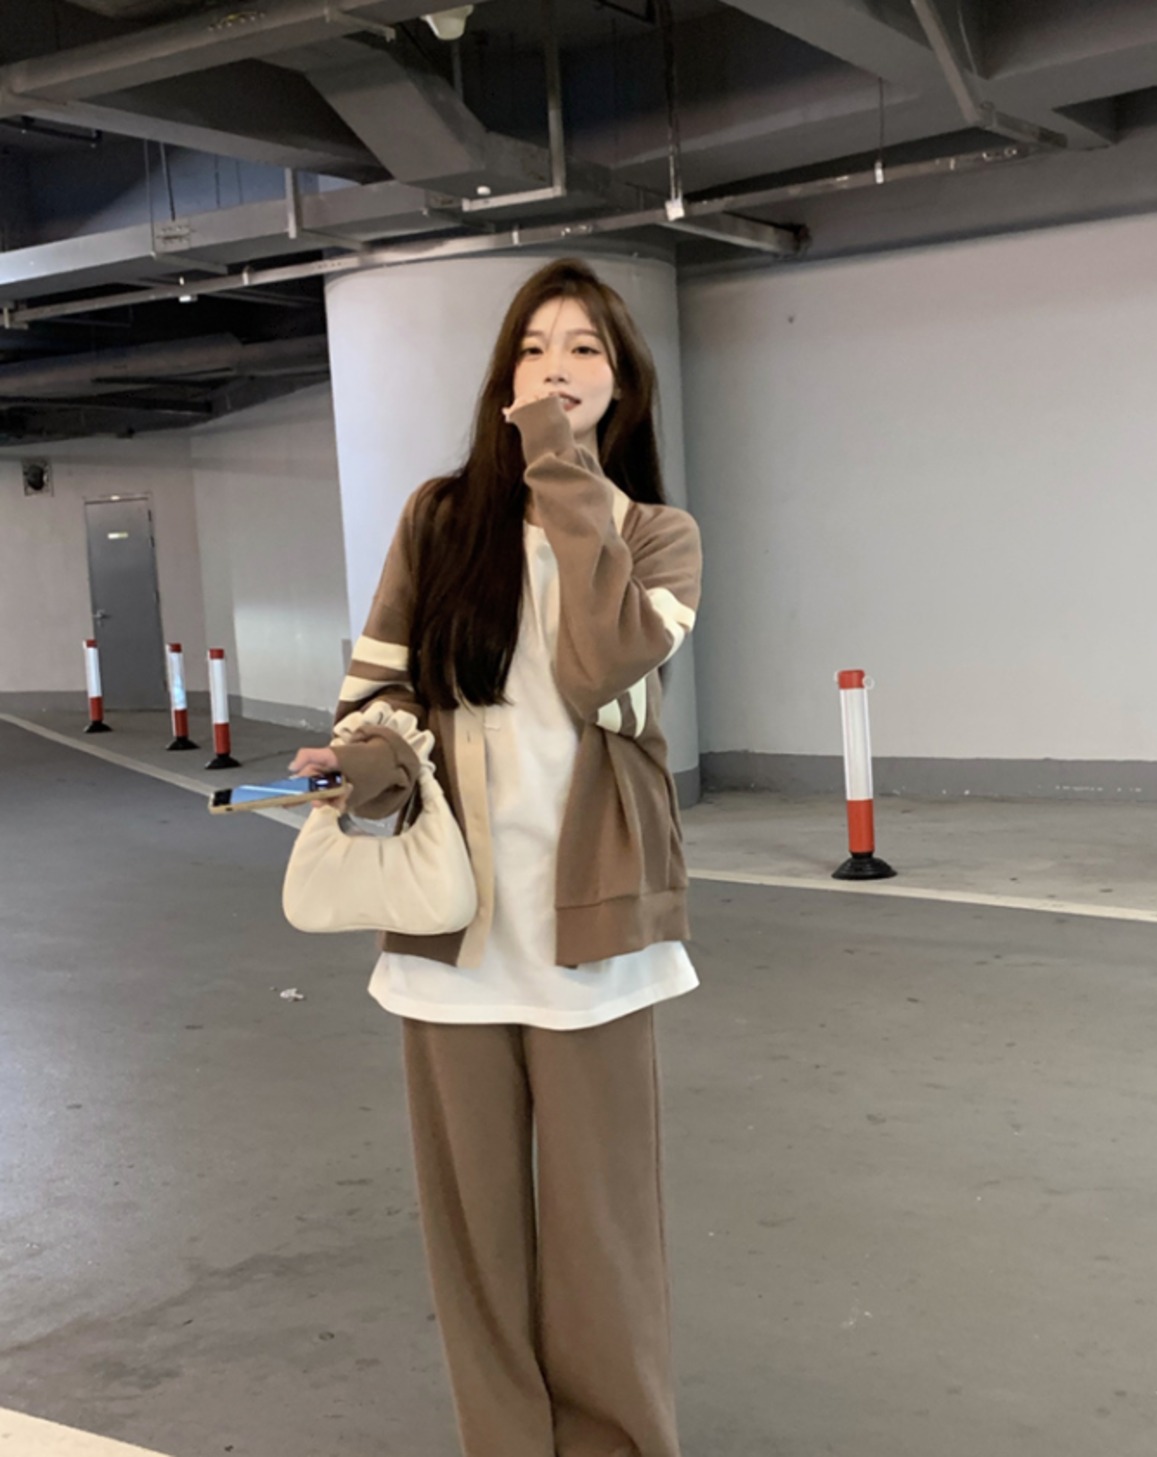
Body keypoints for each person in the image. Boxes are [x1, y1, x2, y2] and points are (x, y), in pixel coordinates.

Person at [290, 257, 702, 1457]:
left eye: (582, 348)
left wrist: (560, 469)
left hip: (593, 926)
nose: (553, 367)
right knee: (474, 1235)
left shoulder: (655, 536)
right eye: (532, 346)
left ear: (620, 385)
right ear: (501, 373)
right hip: (453, 921)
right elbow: (382, 692)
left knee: (600, 1229)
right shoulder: (437, 520)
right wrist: (360, 762)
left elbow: (600, 666)